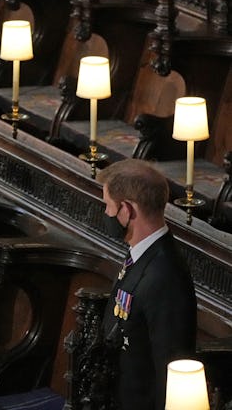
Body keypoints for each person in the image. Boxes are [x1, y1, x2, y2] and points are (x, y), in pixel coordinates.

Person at [99, 159, 196, 410]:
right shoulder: (141, 253)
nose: (106, 214)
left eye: (108, 206)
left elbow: (170, 366)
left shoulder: (165, 275)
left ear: (126, 210)